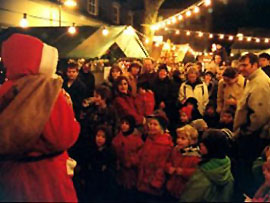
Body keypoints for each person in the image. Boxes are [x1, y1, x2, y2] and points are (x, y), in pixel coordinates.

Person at [0, 33, 80, 201]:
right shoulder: (48, 92)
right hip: (46, 178)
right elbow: (64, 136)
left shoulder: (3, 91)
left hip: (9, 176)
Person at [234, 53, 270, 198]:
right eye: (240, 65)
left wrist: (246, 131)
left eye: (245, 65)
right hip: (250, 134)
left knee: (248, 170)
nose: (241, 68)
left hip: (254, 137)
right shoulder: (251, 80)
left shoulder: (260, 83)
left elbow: (260, 115)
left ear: (255, 65)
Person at [179, 129, 234, 202]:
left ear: (212, 148)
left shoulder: (204, 174)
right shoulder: (226, 167)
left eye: (204, 145)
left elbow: (190, 197)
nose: (200, 146)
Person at [137, 111, 173, 198]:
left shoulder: (165, 145)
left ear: (161, 128)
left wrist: (156, 183)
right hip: (143, 181)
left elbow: (162, 166)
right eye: (150, 124)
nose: (151, 126)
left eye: (155, 124)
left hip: (152, 186)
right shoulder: (149, 139)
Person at [112, 115, 144, 200]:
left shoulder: (137, 140)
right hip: (119, 172)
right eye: (122, 123)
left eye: (127, 123)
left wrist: (131, 161)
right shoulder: (117, 138)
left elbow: (140, 155)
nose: (124, 125)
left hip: (131, 173)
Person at [166, 125, 201, 199]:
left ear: (191, 141)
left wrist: (183, 172)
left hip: (185, 190)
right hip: (172, 186)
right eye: (178, 138)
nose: (179, 140)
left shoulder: (195, 156)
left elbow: (197, 173)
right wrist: (168, 167)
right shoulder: (175, 150)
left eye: (183, 139)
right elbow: (168, 161)